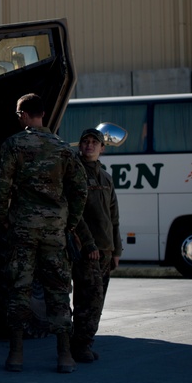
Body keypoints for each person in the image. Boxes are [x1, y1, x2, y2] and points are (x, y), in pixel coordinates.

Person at [0, 93, 87, 374]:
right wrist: (69, 223)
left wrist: (1, 219)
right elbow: (80, 189)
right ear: (43, 114)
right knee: (58, 289)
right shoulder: (62, 148)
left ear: (23, 114)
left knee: (19, 287)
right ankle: (65, 356)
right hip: (55, 230)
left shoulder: (14, 145)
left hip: (22, 228)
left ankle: (16, 354)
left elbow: (1, 187)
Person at [70, 127, 122, 363]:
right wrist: (89, 245)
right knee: (87, 300)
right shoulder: (75, 174)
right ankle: (79, 346)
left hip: (105, 250)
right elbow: (75, 215)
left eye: (95, 142)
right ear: (80, 146)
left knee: (97, 301)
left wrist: (116, 250)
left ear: (102, 148)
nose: (90, 145)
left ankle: (85, 343)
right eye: (85, 141)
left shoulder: (106, 177)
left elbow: (114, 218)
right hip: (87, 251)